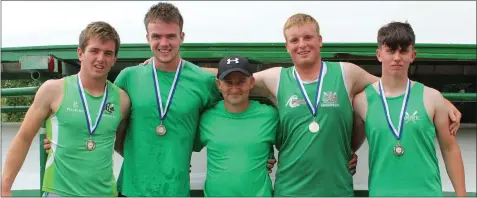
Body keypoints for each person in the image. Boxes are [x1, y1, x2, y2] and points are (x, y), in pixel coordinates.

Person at [140, 12, 462, 196]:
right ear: (287, 46)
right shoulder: (275, 79)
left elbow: (395, 88)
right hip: (290, 189)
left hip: (336, 188)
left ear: (320, 40)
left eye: (308, 37)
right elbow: (225, 76)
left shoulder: (346, 73)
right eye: (295, 40)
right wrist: (163, 65)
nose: (302, 44)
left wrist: (442, 100)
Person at [1, 21, 130, 197]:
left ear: (115, 59)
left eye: (108, 53)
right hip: (60, 193)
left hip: (105, 194)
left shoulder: (122, 100)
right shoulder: (53, 90)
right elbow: (23, 138)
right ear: (80, 53)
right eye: (94, 51)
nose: (101, 58)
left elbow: (123, 145)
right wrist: (5, 187)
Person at [351, 21, 466, 197]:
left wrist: (461, 195)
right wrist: (347, 156)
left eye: (403, 51)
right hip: (382, 193)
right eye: (390, 50)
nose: (397, 57)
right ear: (379, 54)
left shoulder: (432, 98)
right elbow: (351, 144)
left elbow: (450, 149)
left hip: (427, 193)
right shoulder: (361, 101)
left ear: (412, 55)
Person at [194, 55, 278, 197]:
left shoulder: (270, 116)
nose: (234, 88)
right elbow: (183, 147)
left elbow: (289, 148)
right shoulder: (206, 118)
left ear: (251, 82)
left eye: (240, 82)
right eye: (228, 82)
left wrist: (269, 155)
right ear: (219, 84)